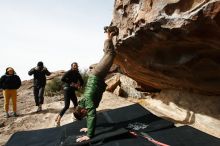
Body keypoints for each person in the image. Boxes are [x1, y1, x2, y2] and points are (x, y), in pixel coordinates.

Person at [73, 29, 117, 142]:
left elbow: (92, 115)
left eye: (84, 115)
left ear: (82, 111)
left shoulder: (87, 102)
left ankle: (108, 36)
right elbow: (89, 115)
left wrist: (89, 135)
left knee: (111, 54)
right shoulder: (82, 104)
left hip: (97, 75)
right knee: (108, 54)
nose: (86, 115)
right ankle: (110, 36)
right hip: (96, 76)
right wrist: (88, 127)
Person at [55, 62, 84, 126]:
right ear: (71, 66)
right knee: (66, 106)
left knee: (76, 105)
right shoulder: (69, 72)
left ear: (77, 66)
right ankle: (58, 121)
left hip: (72, 91)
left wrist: (80, 85)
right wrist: (71, 83)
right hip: (67, 89)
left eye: (76, 66)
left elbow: (82, 81)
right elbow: (63, 79)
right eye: (73, 66)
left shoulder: (77, 73)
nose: (75, 67)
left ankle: (74, 117)